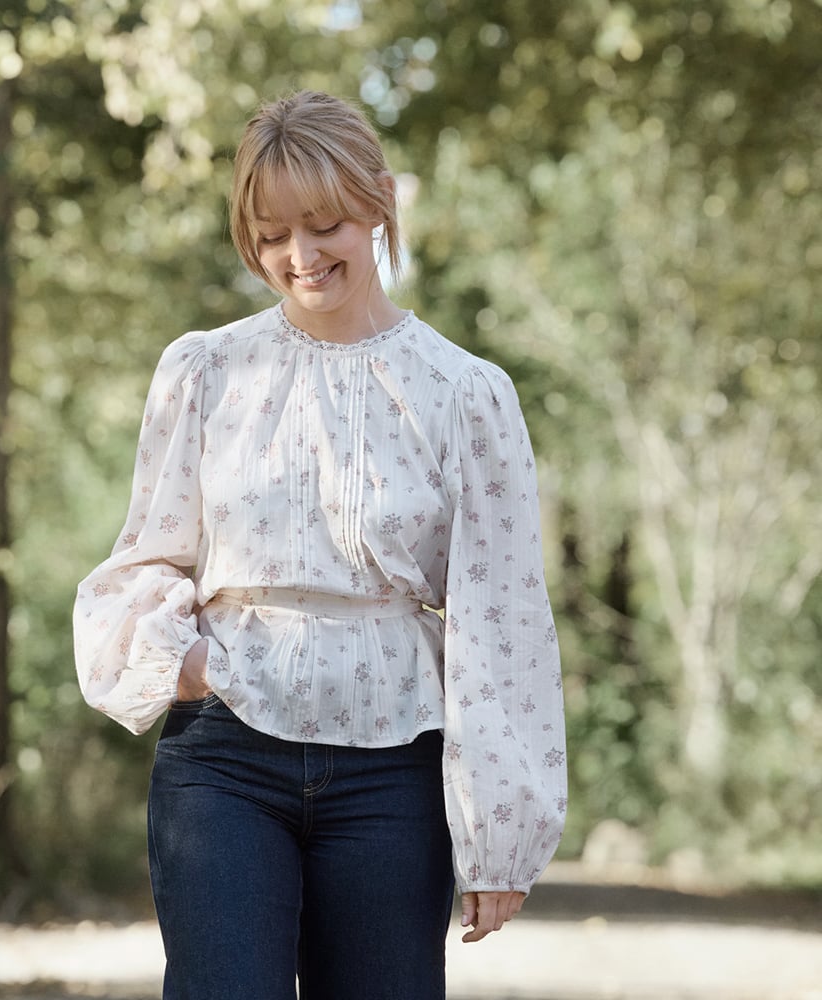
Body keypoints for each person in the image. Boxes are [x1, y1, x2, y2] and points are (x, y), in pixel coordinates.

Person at [73, 90, 566, 1000]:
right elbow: (146, 554)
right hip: (223, 758)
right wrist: (178, 663)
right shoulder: (205, 371)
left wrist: (503, 833)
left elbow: (502, 619)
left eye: (325, 223)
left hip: (393, 774)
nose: (299, 257)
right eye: (270, 235)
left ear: (378, 203)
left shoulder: (467, 394)